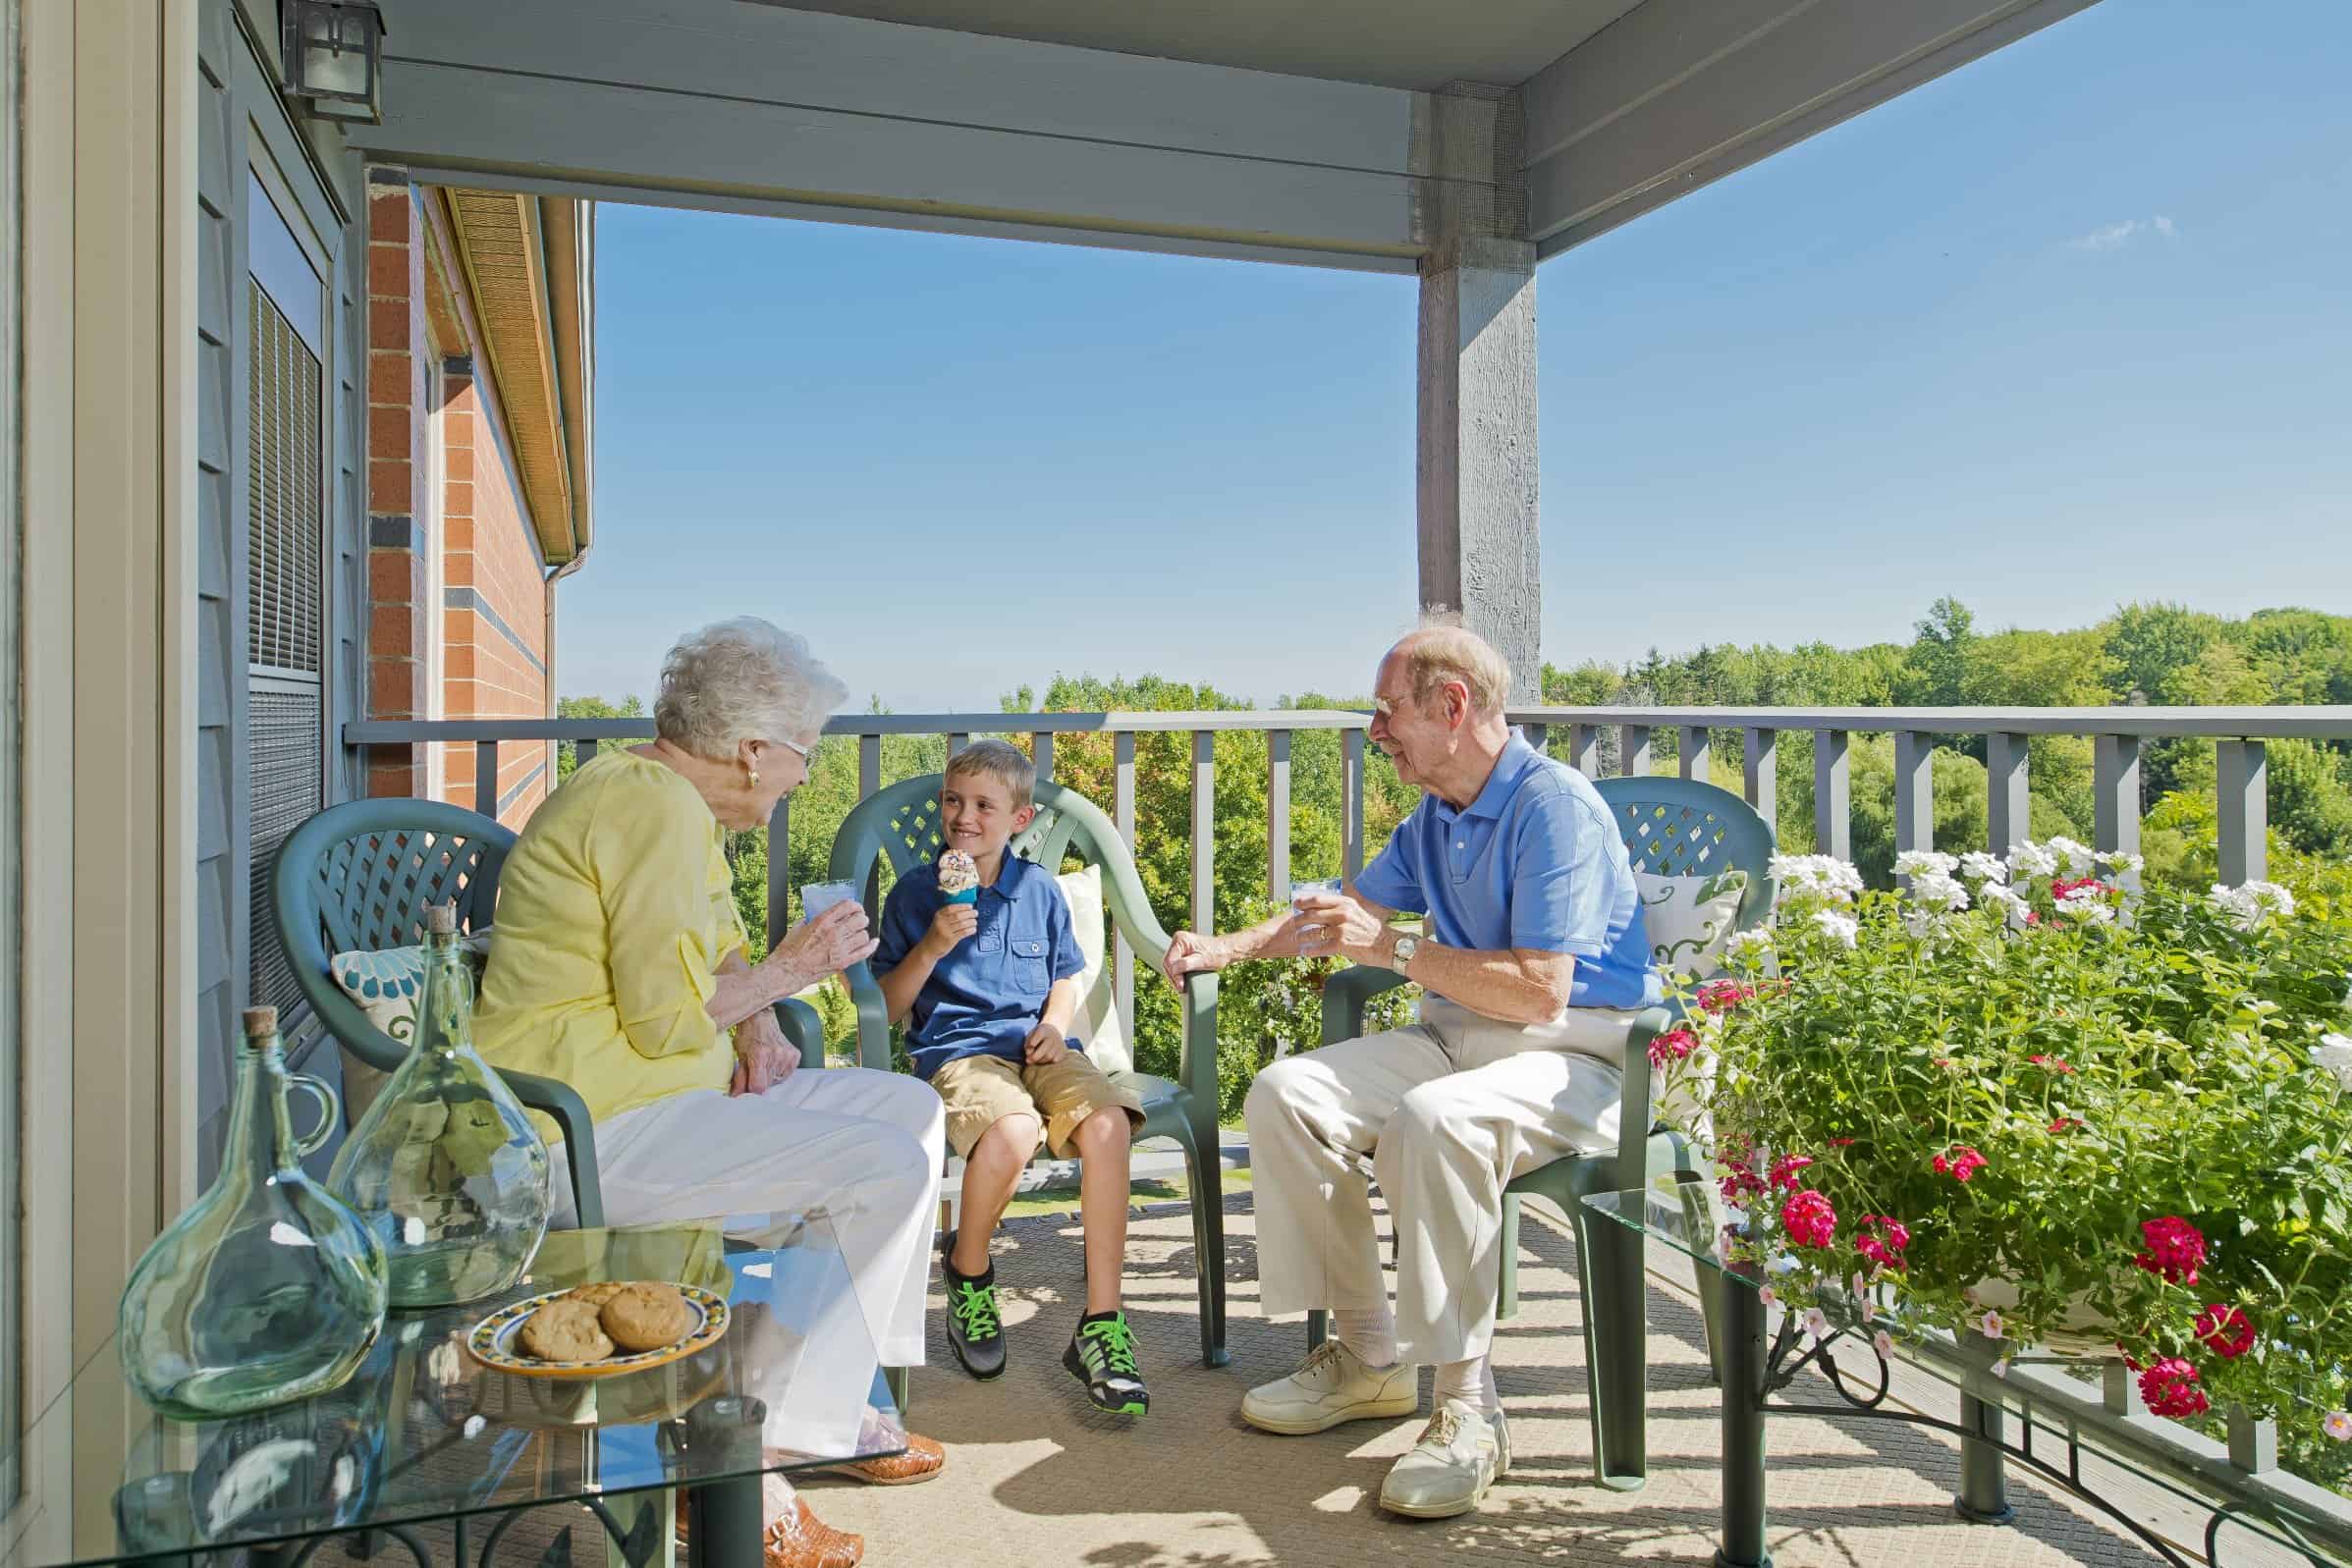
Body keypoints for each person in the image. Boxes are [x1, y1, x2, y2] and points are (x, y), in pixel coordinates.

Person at [476, 616, 947, 1568]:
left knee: (908, 1109)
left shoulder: (676, 806)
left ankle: (788, 1402)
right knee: (883, 1166)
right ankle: (750, 1448)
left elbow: (717, 937)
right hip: (576, 1134)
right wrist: (792, 971)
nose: (806, 777)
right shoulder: (647, 806)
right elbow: (662, 1018)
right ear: (750, 749)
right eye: (802, 756)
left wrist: (760, 1022)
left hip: (664, 1103)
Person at [1161, 626, 1661, 1520]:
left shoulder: (1555, 808)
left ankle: (1469, 1410)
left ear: (1451, 705)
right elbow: (1341, 915)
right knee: (1285, 1094)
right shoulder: (1435, 814)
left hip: (1579, 1053)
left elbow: (1542, 993)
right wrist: (1223, 948)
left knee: (1437, 1119)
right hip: (1459, 1034)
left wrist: (1394, 949)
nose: (1376, 730)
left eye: (1386, 711)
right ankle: (1369, 1358)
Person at [869, 740, 1151, 1416]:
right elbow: (884, 1007)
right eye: (952, 801)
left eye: (983, 806)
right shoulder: (914, 895)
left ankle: (1101, 1322)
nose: (963, 817)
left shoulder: (1039, 891)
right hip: (962, 1051)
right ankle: (969, 1271)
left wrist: (1057, 1023)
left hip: (1040, 1046)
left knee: (1109, 1123)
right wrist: (934, 943)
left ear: (1019, 819)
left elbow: (1063, 975)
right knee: (1014, 1126)